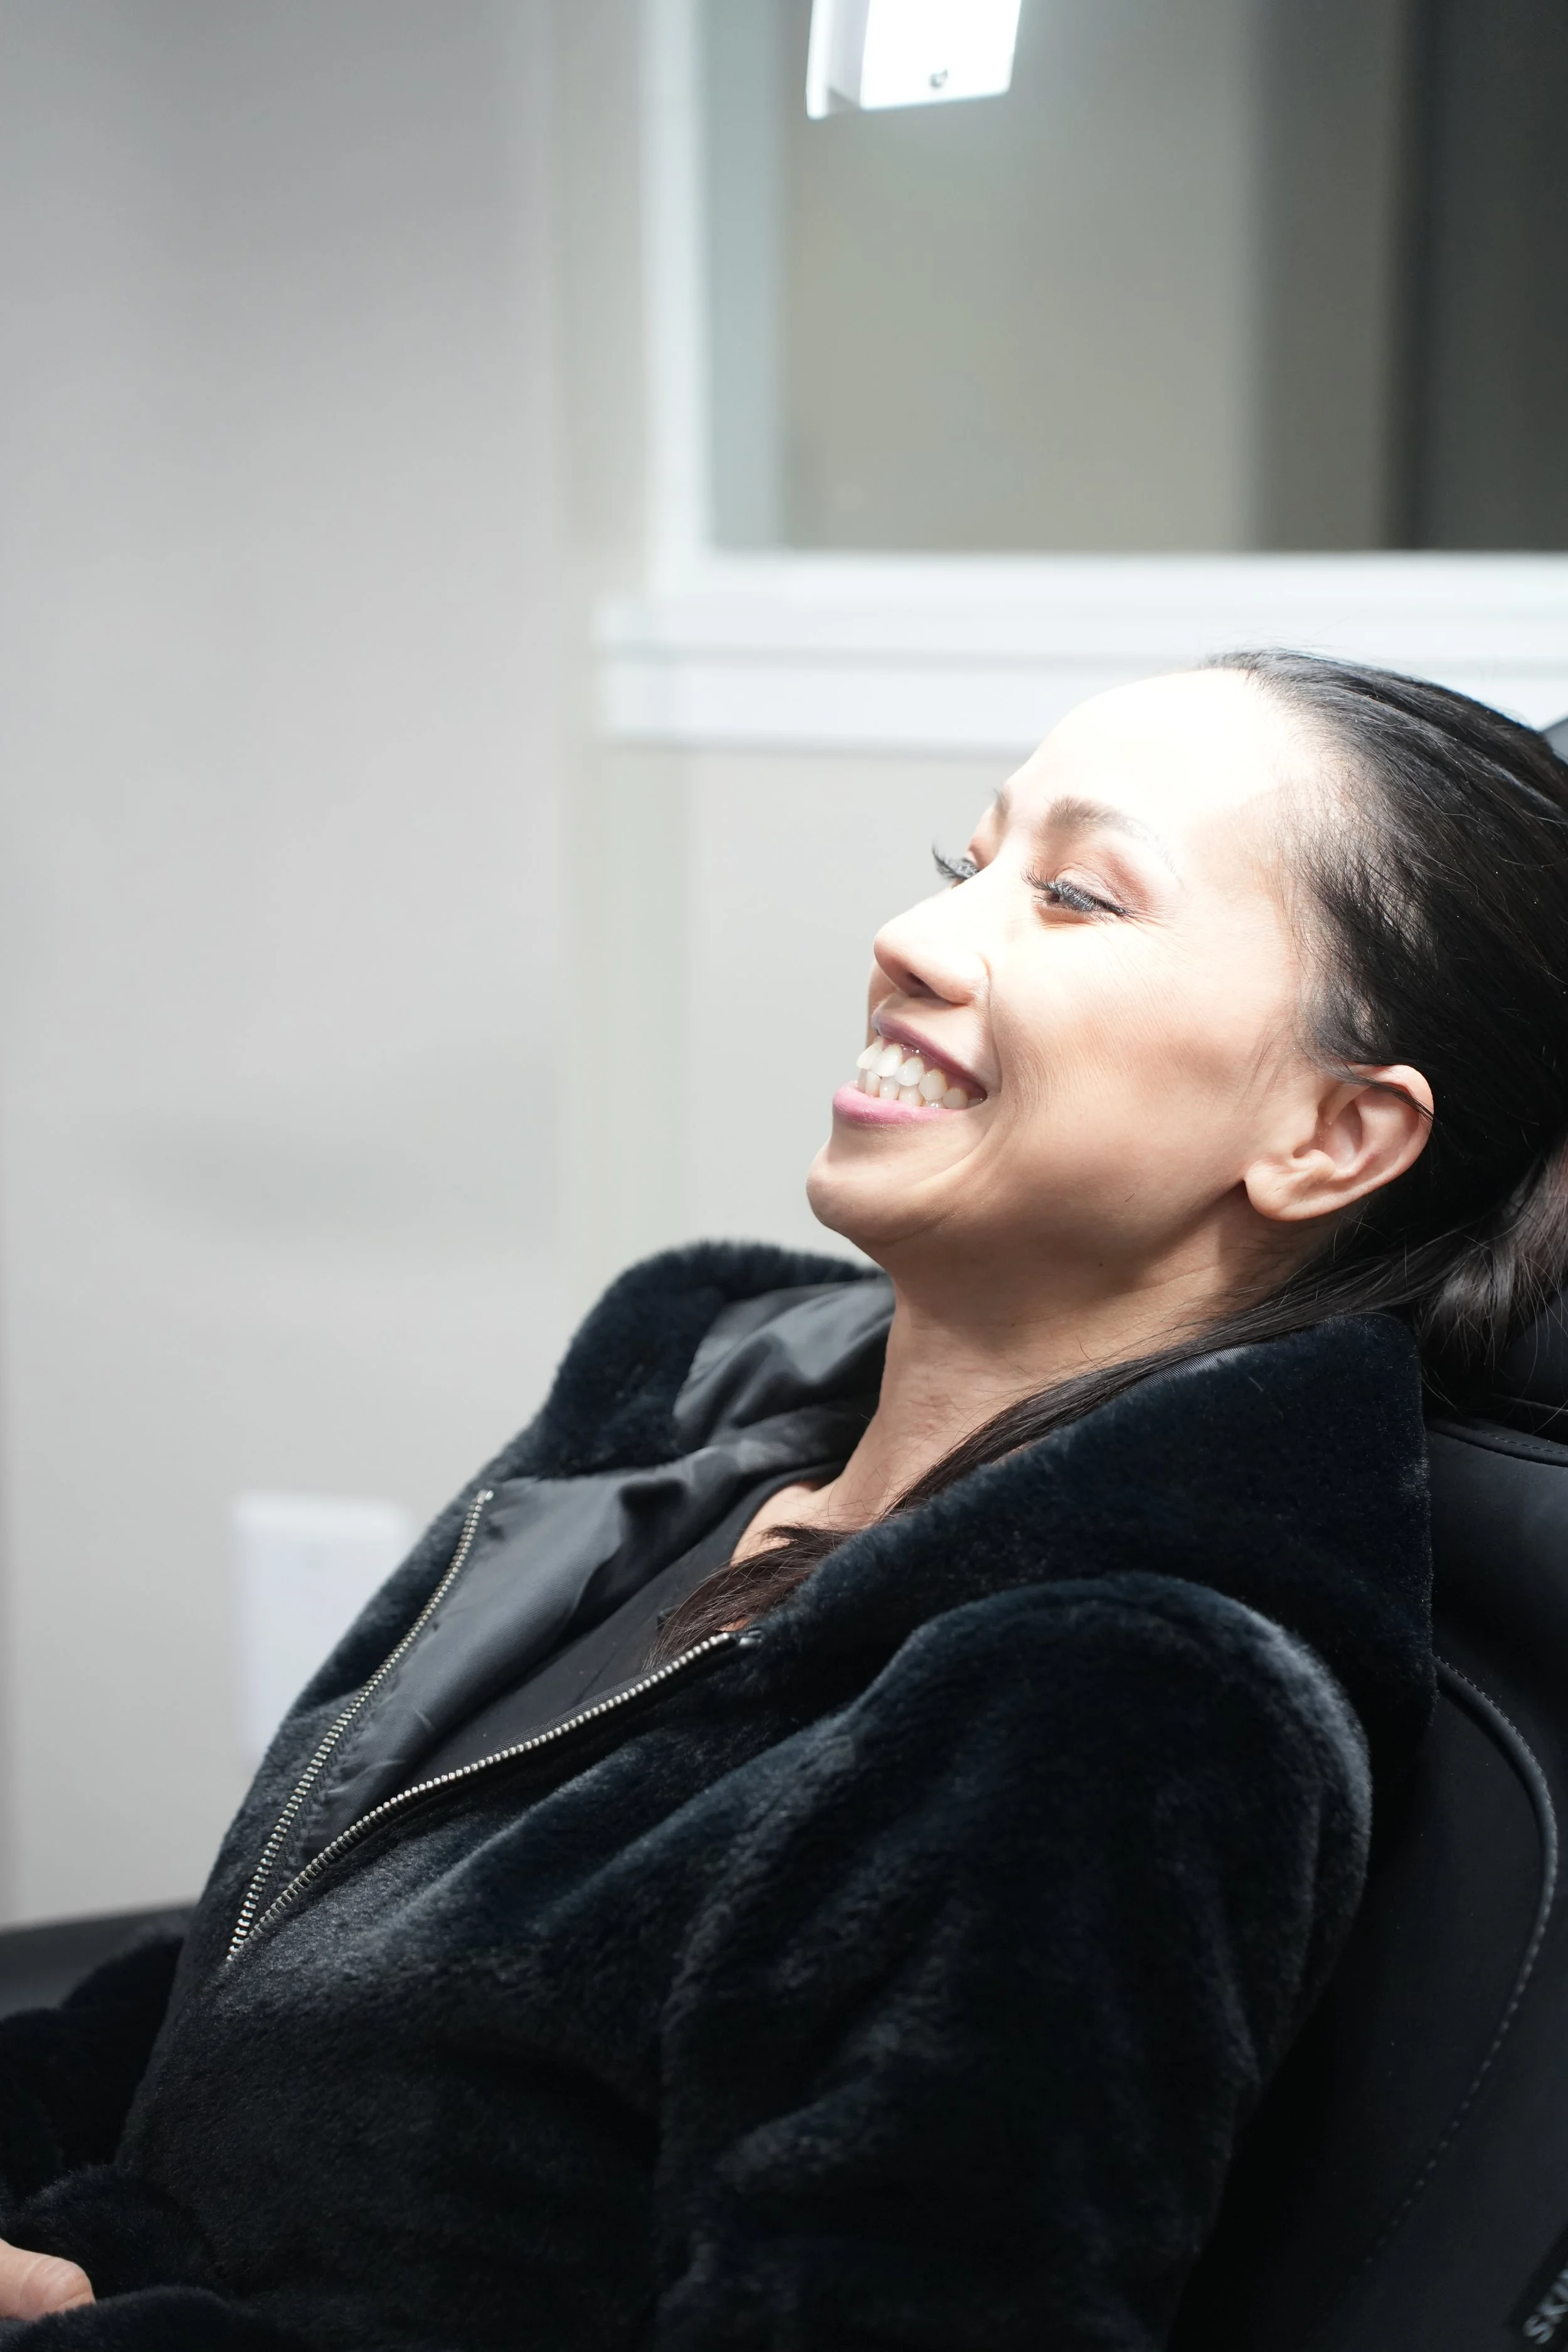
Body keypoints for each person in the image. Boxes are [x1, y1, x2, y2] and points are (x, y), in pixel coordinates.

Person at [1, 650, 1565, 2352]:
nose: (914, 937)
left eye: (1074, 896)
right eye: (969, 863)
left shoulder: (1103, 1699)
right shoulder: (691, 1435)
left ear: (1331, 1134)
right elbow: (264, 1998)